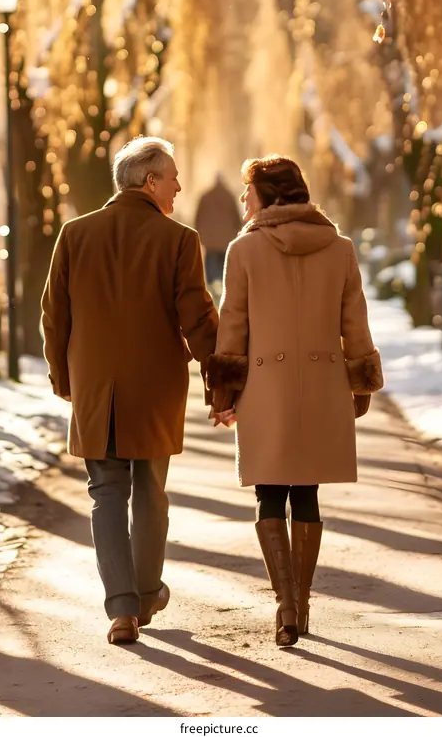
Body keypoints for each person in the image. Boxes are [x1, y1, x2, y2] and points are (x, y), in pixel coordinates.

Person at [41, 136, 218, 646]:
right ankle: (144, 594)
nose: (179, 186)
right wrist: (220, 375)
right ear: (150, 181)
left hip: (95, 386)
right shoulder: (179, 239)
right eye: (173, 177)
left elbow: (54, 314)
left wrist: (64, 378)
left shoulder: (75, 233)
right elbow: (196, 317)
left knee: (106, 494)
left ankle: (121, 609)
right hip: (155, 387)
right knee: (151, 492)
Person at [207, 154, 383, 648]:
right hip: (324, 385)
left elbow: (233, 326)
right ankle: (301, 605)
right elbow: (355, 323)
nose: (243, 201)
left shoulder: (243, 250)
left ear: (269, 195)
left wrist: (224, 393)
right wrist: (360, 382)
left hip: (266, 388)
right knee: (306, 493)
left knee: (269, 493)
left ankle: (285, 605)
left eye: (248, 192)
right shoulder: (340, 248)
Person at [194, 172, 242, 286]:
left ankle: (213, 291)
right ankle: (222, 291)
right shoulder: (229, 196)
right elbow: (237, 218)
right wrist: (236, 233)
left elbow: (198, 218)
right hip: (226, 241)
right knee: (224, 272)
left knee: (211, 274)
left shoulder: (206, 196)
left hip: (210, 242)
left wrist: (201, 235)